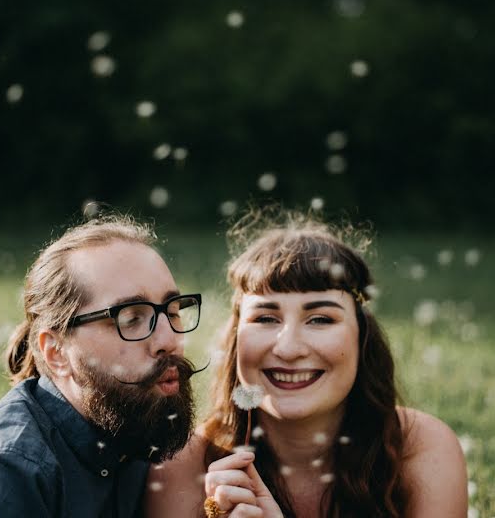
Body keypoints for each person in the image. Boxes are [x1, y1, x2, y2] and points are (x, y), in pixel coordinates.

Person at [146, 210, 467, 517]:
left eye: (320, 319)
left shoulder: (418, 448)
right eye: (266, 318)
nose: (288, 348)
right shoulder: (184, 465)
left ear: (362, 337)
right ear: (236, 337)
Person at [0, 214, 203, 517]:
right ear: (56, 352)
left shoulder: (138, 433)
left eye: (173, 310)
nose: (170, 339)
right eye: (131, 319)